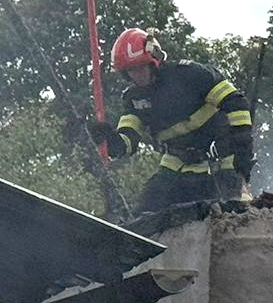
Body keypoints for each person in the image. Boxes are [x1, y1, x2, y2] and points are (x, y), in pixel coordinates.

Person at [88, 28, 256, 210]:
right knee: (144, 215)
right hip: (176, 166)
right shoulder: (134, 99)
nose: (137, 75)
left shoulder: (190, 75)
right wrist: (109, 139)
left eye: (140, 67)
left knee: (230, 213)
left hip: (218, 164)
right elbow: (128, 141)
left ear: (154, 60)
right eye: (130, 70)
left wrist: (242, 149)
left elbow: (235, 102)